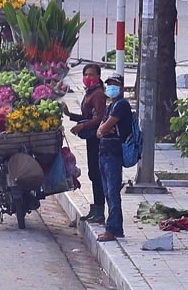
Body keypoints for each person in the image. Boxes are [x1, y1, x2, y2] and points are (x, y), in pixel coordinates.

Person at [63, 63, 107, 224]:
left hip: (97, 139)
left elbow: (99, 119)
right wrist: (70, 115)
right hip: (91, 139)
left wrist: (81, 126)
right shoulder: (90, 92)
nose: (88, 78)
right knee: (93, 173)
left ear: (98, 77)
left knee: (96, 174)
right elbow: (87, 116)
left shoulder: (98, 95)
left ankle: (99, 211)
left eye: (91, 75)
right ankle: (95, 209)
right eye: (86, 74)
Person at [95, 73, 132, 241]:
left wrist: (104, 129)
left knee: (112, 191)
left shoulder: (121, 105)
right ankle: (115, 227)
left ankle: (112, 228)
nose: (111, 87)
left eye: (115, 84)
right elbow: (99, 132)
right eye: (109, 84)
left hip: (113, 153)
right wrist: (103, 129)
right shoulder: (111, 105)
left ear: (122, 87)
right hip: (104, 151)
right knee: (107, 191)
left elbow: (104, 128)